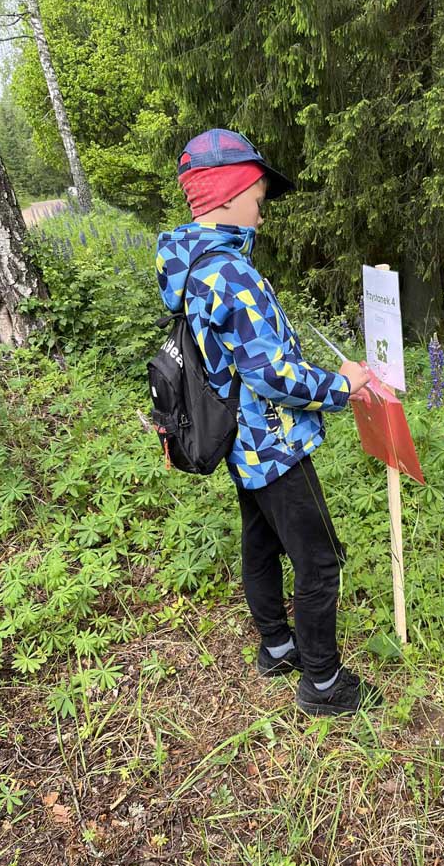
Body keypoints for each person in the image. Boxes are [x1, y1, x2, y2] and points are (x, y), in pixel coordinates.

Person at [155, 129, 383, 716]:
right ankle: (324, 684)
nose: (262, 210)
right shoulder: (230, 274)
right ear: (228, 194)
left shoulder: (195, 266)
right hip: (273, 442)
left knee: (259, 543)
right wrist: (343, 385)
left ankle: (278, 648)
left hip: (240, 442)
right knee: (318, 560)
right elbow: (272, 376)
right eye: (258, 196)